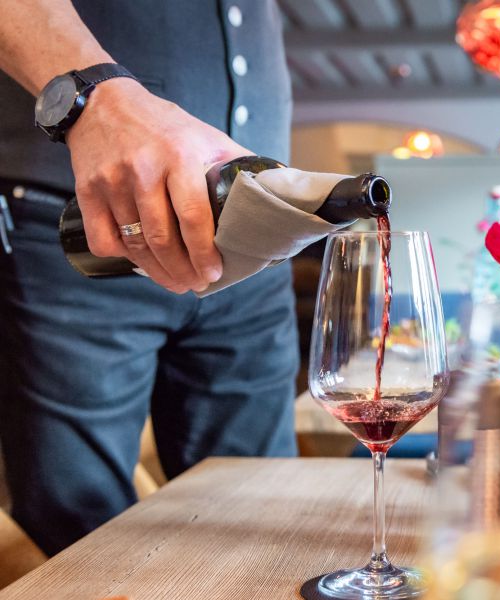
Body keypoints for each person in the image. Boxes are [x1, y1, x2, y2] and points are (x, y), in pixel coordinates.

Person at [0, 0, 299, 555]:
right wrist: (93, 97)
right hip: (75, 223)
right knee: (78, 523)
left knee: (263, 504)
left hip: (256, 237)